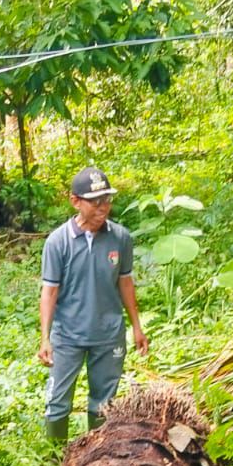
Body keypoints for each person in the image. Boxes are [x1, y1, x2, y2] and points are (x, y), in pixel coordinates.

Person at [38, 167, 148, 441]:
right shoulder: (58, 241)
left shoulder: (120, 237)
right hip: (68, 335)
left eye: (107, 201)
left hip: (108, 333)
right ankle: (56, 460)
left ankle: (97, 456)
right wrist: (45, 338)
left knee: (104, 400)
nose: (103, 208)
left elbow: (125, 282)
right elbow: (49, 292)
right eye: (95, 202)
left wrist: (137, 326)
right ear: (76, 201)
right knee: (58, 400)